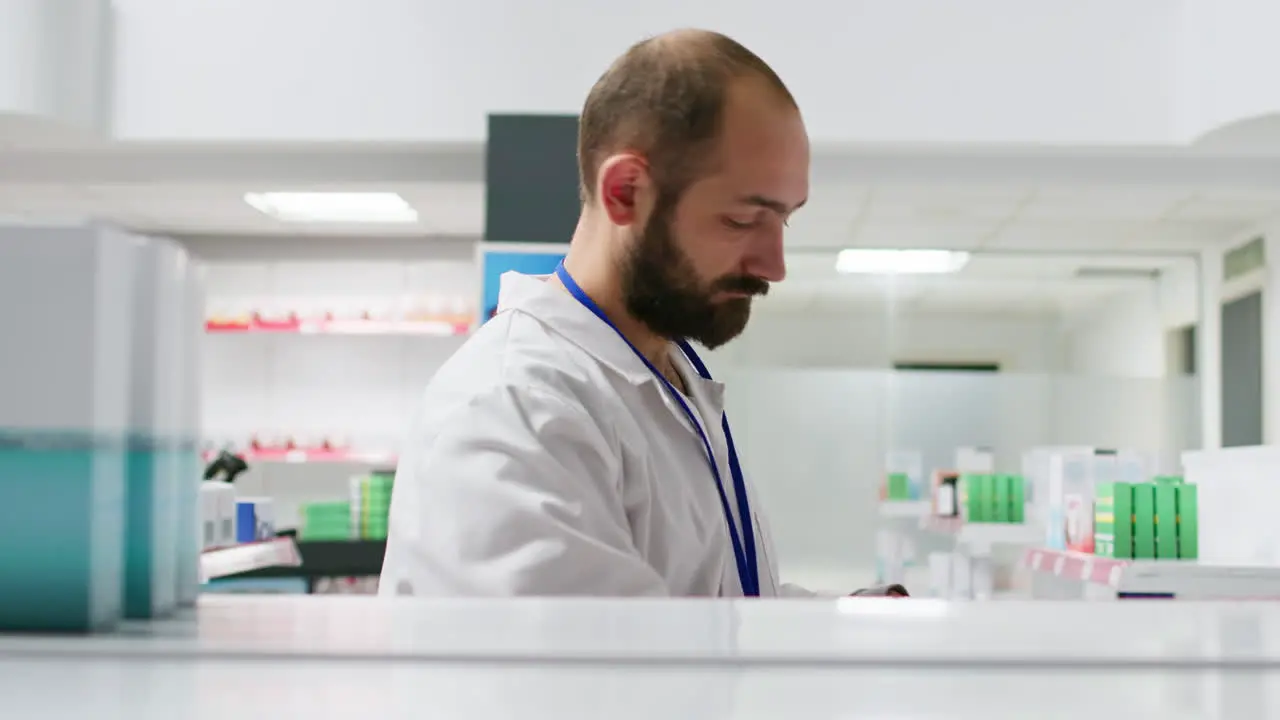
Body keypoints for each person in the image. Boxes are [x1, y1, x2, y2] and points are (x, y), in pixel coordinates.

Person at [379, 29, 907, 598]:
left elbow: (707, 608)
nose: (774, 266)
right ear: (626, 192)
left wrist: (845, 624)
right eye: (741, 220)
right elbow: (604, 673)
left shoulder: (664, 372)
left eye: (786, 219)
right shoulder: (515, 408)